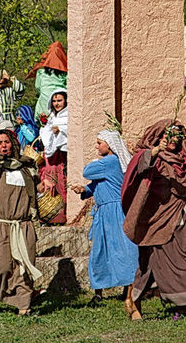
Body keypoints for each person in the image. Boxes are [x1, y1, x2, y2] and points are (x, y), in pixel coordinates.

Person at [121, 119, 186, 320]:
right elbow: (139, 167)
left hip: (184, 217)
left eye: (177, 135)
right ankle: (134, 302)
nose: (173, 139)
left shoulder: (183, 161)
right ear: (160, 137)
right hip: (157, 221)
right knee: (149, 264)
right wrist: (156, 151)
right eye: (169, 135)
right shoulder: (153, 157)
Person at [0, 129, 41, 315]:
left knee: (25, 266)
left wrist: (44, 187)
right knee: (2, 265)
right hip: (0, 223)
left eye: (6, 142)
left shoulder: (25, 167)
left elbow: (34, 191)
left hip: (23, 224)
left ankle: (24, 306)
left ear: (13, 143)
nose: (3, 145)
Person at [70, 129, 138, 303]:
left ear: (110, 145)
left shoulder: (110, 161)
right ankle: (99, 292)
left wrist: (94, 162)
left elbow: (87, 171)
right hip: (104, 212)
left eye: (99, 143)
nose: (96, 146)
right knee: (100, 251)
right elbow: (99, 183)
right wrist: (85, 190)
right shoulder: (108, 164)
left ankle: (130, 288)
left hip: (115, 212)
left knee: (123, 250)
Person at [38, 89, 68, 224]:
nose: (57, 103)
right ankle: (49, 216)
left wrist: (60, 131)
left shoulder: (68, 116)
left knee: (61, 185)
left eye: (59, 100)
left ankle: (62, 216)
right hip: (50, 161)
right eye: (54, 101)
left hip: (61, 158)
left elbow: (67, 131)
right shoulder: (52, 118)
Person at [29, 41, 67, 121]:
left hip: (44, 108)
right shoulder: (65, 75)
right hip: (61, 107)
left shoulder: (41, 73)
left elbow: (38, 88)